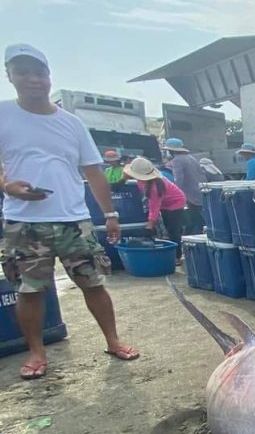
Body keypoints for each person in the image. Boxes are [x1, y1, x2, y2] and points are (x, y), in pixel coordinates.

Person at [0, 44, 139, 378]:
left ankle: (113, 340)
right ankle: (36, 353)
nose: (33, 80)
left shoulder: (72, 123)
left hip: (73, 220)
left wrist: (110, 215)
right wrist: (7, 186)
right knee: (30, 290)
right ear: (10, 75)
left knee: (94, 283)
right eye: (23, 72)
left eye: (39, 73)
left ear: (49, 77)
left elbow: (93, 171)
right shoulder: (3, 114)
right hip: (24, 221)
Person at [123, 156, 187, 262]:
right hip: (164, 203)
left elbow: (154, 208)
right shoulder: (143, 181)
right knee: (168, 227)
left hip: (176, 202)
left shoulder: (154, 187)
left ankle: (177, 257)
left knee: (173, 230)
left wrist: (150, 226)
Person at [163, 137, 205, 234]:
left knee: (190, 222)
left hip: (188, 196)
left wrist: (176, 195)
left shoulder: (177, 160)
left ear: (171, 150)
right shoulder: (192, 158)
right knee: (197, 220)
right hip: (198, 193)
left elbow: (179, 180)